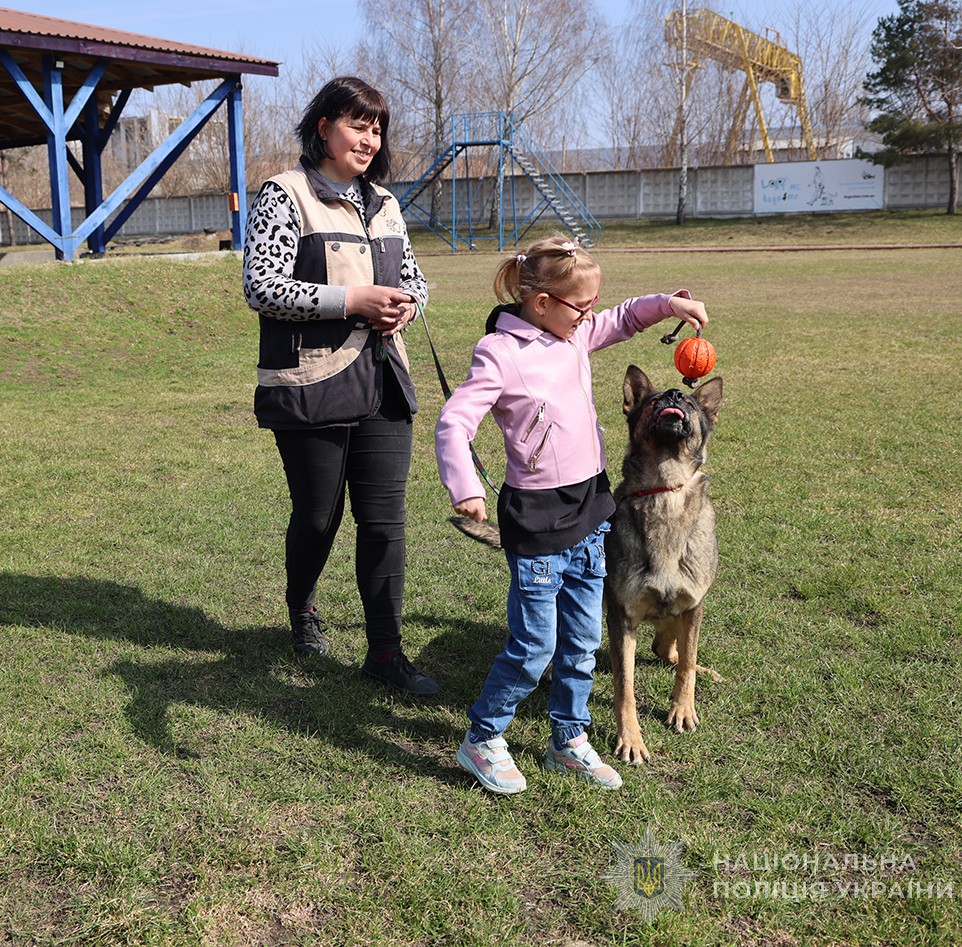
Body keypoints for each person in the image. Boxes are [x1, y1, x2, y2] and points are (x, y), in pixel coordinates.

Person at [435, 235, 709, 793]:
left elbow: (625, 318)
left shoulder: (571, 335)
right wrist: (465, 485)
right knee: (534, 645)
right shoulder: (501, 353)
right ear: (541, 303)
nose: (590, 317)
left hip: (591, 513)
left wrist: (670, 305)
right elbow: (454, 423)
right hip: (536, 524)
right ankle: (483, 738)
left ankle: (570, 738)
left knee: (583, 642)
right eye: (582, 306)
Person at [242, 76, 437, 696]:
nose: (368, 138)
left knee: (385, 522)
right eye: (357, 124)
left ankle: (385, 654)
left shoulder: (385, 202)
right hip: (312, 383)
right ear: (323, 127)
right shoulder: (284, 194)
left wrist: (407, 305)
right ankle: (301, 608)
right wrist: (353, 298)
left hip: (383, 379)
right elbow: (262, 286)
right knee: (319, 517)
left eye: (376, 128)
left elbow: (415, 277)